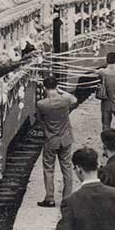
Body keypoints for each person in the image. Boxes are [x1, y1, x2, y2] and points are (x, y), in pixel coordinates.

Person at [36, 76, 77, 208]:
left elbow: (40, 121)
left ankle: (49, 198)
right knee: (67, 168)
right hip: (65, 138)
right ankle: (67, 198)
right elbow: (74, 99)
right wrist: (61, 91)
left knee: (49, 169)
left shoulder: (42, 104)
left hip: (51, 139)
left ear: (44, 87)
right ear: (57, 86)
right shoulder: (65, 100)